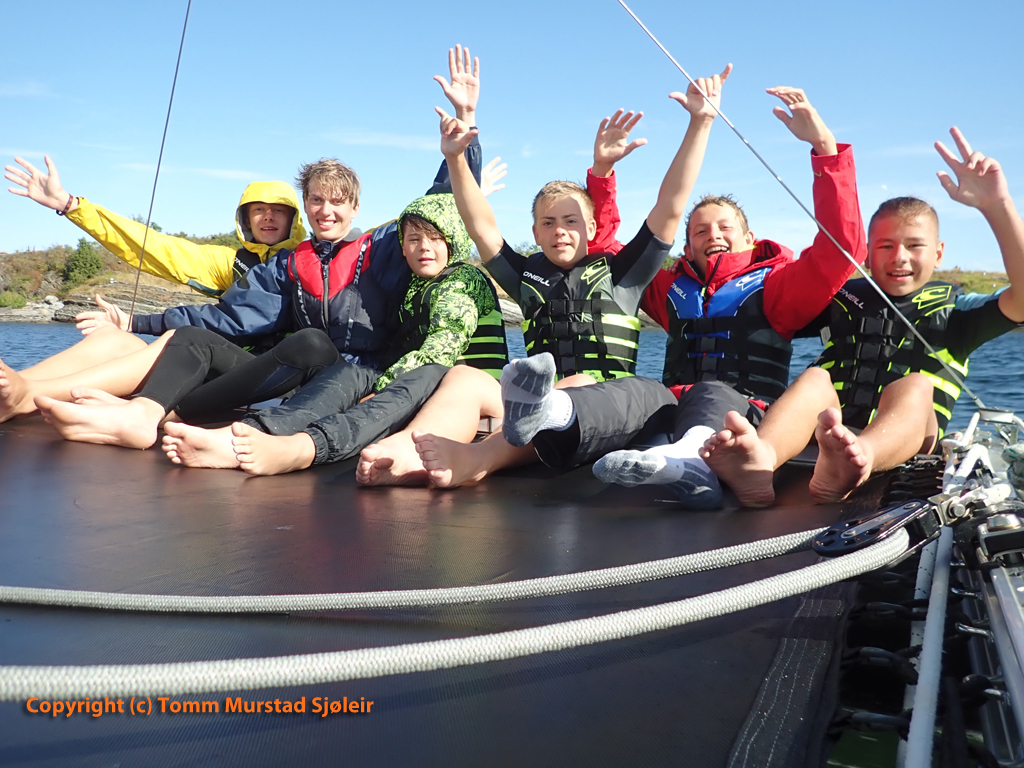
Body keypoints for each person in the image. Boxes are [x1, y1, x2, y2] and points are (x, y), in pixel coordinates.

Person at [32, 46, 487, 449]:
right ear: (306, 207)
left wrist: (464, 122)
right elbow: (229, 318)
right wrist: (136, 322)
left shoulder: (384, 247)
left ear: (355, 208)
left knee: (311, 342)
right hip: (298, 376)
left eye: (337, 202)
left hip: (355, 375)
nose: (326, 211)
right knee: (192, 338)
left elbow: (443, 200)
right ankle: (142, 415)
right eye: (317, 200)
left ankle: (198, 422)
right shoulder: (287, 265)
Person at [354, 65, 727, 487]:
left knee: (574, 383)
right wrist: (456, 157)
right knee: (464, 378)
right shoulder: (527, 278)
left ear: (591, 227)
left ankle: (477, 460)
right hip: (530, 408)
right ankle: (405, 454)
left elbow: (671, 206)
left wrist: (700, 123)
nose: (559, 231)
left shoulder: (624, 273)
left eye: (570, 221)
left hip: (614, 411)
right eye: (548, 223)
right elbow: (480, 225)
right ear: (535, 233)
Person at [509, 83, 866, 509]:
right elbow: (604, 249)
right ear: (687, 246)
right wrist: (601, 174)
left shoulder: (777, 286)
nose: (712, 235)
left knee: (709, 390)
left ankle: (690, 461)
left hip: (744, 413)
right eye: (700, 230)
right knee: (638, 389)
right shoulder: (671, 290)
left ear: (749, 238)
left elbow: (841, 250)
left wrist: (825, 150)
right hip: (673, 407)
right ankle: (553, 412)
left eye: (724, 227)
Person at [701, 127, 1024, 506]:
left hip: (908, 443)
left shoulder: (958, 314)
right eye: (885, 246)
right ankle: (761, 460)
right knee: (815, 378)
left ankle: (858, 458)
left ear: (938, 253)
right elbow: (775, 308)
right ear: (867, 254)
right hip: (830, 429)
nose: (899, 257)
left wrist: (997, 204)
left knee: (916, 385)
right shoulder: (840, 299)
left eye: (914, 245)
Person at [157, 191, 509, 475]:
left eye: (435, 238)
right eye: (414, 239)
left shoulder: (462, 281)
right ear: (402, 246)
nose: (424, 247)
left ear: (454, 242)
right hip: (422, 380)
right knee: (353, 372)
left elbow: (441, 348)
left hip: (472, 393)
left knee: (421, 372)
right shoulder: (416, 285)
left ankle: (303, 448)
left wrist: (379, 390)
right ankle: (258, 431)